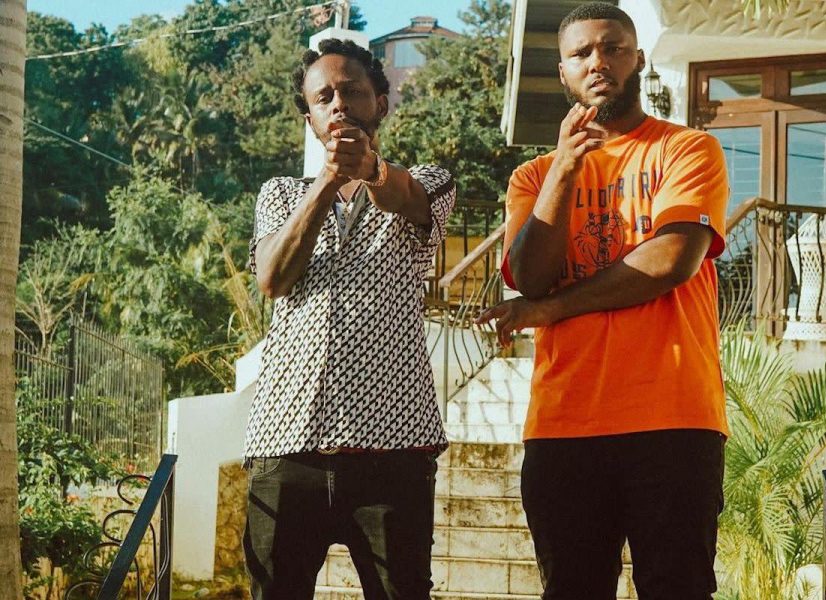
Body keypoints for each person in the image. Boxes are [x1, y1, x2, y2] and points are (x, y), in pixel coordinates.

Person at [477, 4, 729, 599]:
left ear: (637, 59)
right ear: (562, 72)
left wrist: (549, 311)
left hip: (673, 416)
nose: (599, 62)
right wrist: (566, 167)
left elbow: (671, 259)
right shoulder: (534, 177)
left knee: (679, 588)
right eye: (581, 53)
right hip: (564, 423)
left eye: (613, 48)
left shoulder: (688, 150)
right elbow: (531, 278)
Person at [242, 38, 455, 600]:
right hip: (286, 447)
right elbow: (273, 279)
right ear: (310, 119)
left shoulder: (430, 181)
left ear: (380, 103)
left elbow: (408, 200)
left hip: (395, 450)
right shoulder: (280, 194)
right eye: (324, 97)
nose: (338, 103)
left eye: (352, 91)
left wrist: (369, 170)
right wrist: (325, 185)